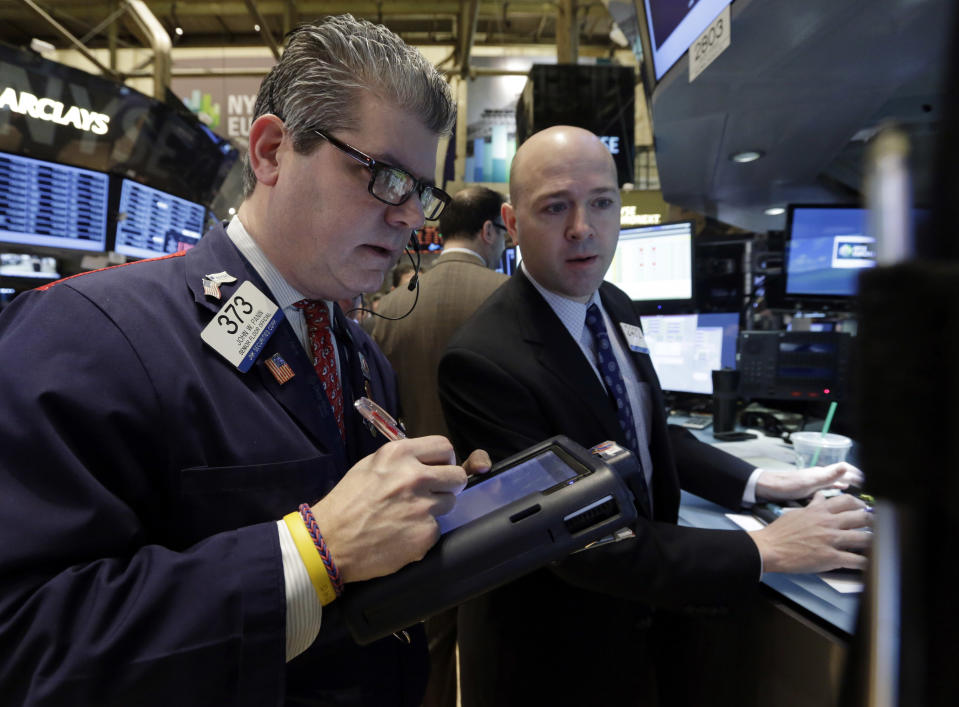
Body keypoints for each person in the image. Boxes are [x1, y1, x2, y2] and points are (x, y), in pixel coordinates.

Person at [0, 15, 489, 707]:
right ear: (270, 152)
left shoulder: (356, 350)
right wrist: (306, 552)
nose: (409, 216)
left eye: (421, 191)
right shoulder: (87, 334)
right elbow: (25, 641)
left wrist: (437, 518)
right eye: (384, 177)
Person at [437, 125, 872, 706]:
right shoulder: (483, 360)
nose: (582, 228)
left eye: (601, 203)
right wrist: (765, 549)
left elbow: (643, 429)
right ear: (512, 224)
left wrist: (759, 481)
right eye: (555, 208)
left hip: (644, 631)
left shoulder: (613, 303)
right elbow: (580, 542)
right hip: (557, 661)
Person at [370, 185, 508, 707]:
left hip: (416, 504)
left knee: (426, 647)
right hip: (498, 502)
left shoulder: (392, 304)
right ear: (490, 230)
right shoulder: (506, 296)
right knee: (492, 646)